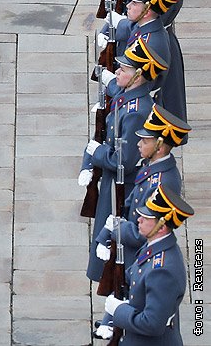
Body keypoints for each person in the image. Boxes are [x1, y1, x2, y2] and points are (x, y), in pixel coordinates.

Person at [81, 38, 164, 282]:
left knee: (115, 261)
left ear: (138, 76)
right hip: (112, 182)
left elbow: (123, 161)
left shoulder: (137, 110)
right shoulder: (130, 95)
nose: (117, 71)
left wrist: (96, 153)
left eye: (123, 69)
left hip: (121, 186)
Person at [105, 185, 193, 345]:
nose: (139, 219)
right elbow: (130, 278)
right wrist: (109, 317)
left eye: (146, 218)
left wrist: (119, 311)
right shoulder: (152, 246)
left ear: (162, 227)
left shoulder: (163, 270)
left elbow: (152, 324)